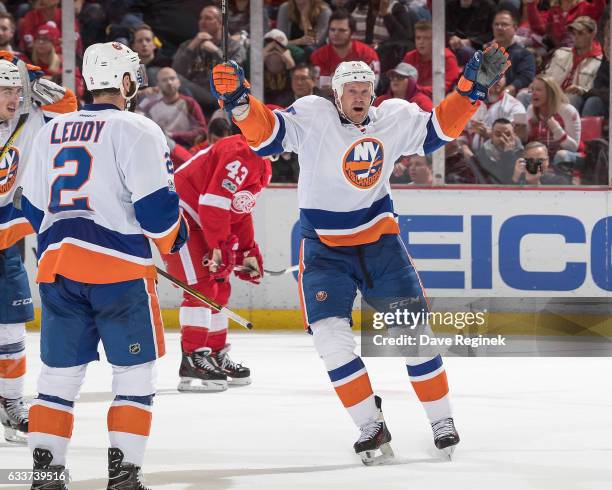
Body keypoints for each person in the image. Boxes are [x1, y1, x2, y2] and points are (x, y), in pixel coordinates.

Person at [211, 43, 510, 463]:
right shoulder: (312, 115)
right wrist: (240, 104)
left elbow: (437, 131)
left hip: (380, 245)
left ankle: (442, 420)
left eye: (364, 88)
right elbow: (267, 136)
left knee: (414, 336)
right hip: (325, 250)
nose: (358, 95)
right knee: (332, 341)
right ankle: (370, 424)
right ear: (336, 94)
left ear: (374, 93)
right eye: (349, 88)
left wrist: (469, 92)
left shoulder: (393, 117)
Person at [20, 42, 188, 489]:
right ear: (128, 82)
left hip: (58, 270)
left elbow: (33, 211)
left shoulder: (51, 131)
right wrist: (176, 237)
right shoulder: (138, 128)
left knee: (57, 377)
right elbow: (157, 213)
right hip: (120, 276)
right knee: (134, 375)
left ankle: (47, 470)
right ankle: (124, 473)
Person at [0, 53, 77, 445]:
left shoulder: (29, 122)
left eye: (17, 89)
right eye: (5, 90)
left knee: (12, 326)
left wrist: (56, 95)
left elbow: (73, 120)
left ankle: (11, 403)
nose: (14, 98)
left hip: (5, 242)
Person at [162, 134, 271, 392]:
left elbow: (238, 210)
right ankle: (192, 358)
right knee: (201, 288)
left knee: (220, 285)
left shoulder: (261, 162)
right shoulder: (240, 152)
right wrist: (220, 248)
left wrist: (247, 252)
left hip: (199, 217)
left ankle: (213, 353)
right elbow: (213, 202)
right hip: (179, 213)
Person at [172, 5, 246, 117]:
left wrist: (216, 51)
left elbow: (234, 72)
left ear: (221, 23)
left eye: (208, 18)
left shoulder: (234, 47)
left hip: (220, 95)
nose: (203, 22)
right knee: (167, 77)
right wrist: (192, 47)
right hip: (193, 93)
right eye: (201, 18)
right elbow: (176, 71)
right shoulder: (189, 45)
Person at [310, 9, 380, 94]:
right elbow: (317, 89)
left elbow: (372, 86)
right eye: (332, 29)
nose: (335, 33)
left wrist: (337, 87)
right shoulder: (318, 56)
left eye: (342, 30)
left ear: (352, 33)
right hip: (325, 103)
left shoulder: (367, 54)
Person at [543, 16, 603, 112]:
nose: (575, 37)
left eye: (580, 33)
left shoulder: (599, 62)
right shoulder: (560, 53)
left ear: (592, 34)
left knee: (572, 97)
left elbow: (595, 90)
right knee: (525, 95)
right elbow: (545, 76)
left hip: (575, 98)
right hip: (552, 94)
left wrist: (581, 89)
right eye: (573, 33)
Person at [140, 67, 208, 148]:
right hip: (158, 148)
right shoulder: (149, 105)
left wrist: (174, 135)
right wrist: (141, 94)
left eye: (172, 78)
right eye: (164, 80)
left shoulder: (190, 103)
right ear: (158, 84)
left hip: (185, 147)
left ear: (179, 82)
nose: (169, 82)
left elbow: (202, 130)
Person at [402, 20, 461, 93]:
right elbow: (401, 83)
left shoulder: (447, 58)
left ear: (436, 40)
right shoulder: (409, 57)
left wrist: (413, 89)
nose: (421, 42)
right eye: (418, 38)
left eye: (426, 38)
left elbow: (443, 89)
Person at [474, 118, 524, 184]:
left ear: (514, 136)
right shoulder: (483, 154)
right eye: (498, 134)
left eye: (507, 134)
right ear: (491, 136)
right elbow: (502, 179)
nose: (502, 138)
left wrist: (509, 153)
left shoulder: (522, 153)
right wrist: (508, 154)